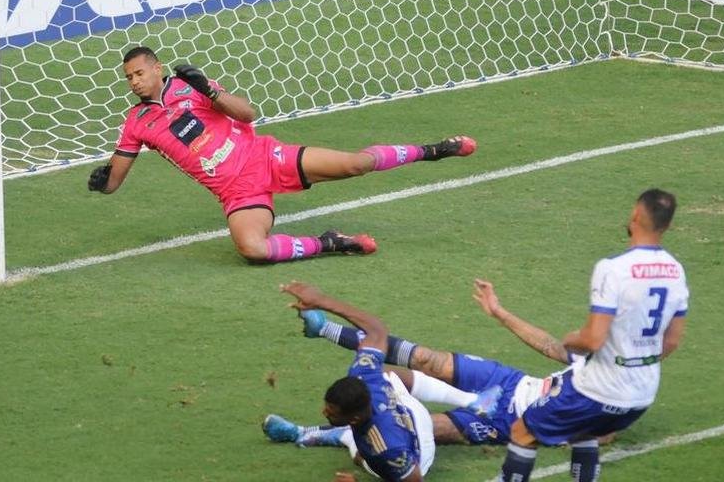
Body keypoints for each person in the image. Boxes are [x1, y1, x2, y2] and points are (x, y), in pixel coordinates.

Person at [88, 46, 477, 263]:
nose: (134, 82)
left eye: (139, 73)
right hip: (238, 194)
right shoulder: (137, 122)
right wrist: (103, 182)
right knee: (251, 250)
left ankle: (434, 150)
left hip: (265, 157)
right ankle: (331, 243)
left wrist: (208, 88)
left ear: (157, 68)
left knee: (357, 164)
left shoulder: (190, 88)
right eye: (129, 78)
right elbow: (115, 181)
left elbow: (247, 114)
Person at [264, 278, 595, 459]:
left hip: (512, 421)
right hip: (511, 382)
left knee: (414, 429)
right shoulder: (599, 361)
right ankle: (323, 329)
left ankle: (310, 434)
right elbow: (553, 347)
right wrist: (499, 312)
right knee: (427, 360)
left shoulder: (617, 397)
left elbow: (600, 431)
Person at [494, 188, 688, 482]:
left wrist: (571, 339)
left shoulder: (613, 269)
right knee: (585, 430)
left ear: (635, 214)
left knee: (523, 431)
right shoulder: (676, 271)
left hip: (601, 388)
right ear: (668, 225)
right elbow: (672, 341)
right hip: (643, 392)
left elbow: (593, 340)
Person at [274, 281, 503, 481]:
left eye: (331, 412)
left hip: (418, 457)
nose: (324, 411)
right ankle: (473, 401)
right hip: (406, 411)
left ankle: (337, 435)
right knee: (387, 374)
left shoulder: (386, 448)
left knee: (365, 456)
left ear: (354, 418)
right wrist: (322, 301)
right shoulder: (364, 375)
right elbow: (377, 331)